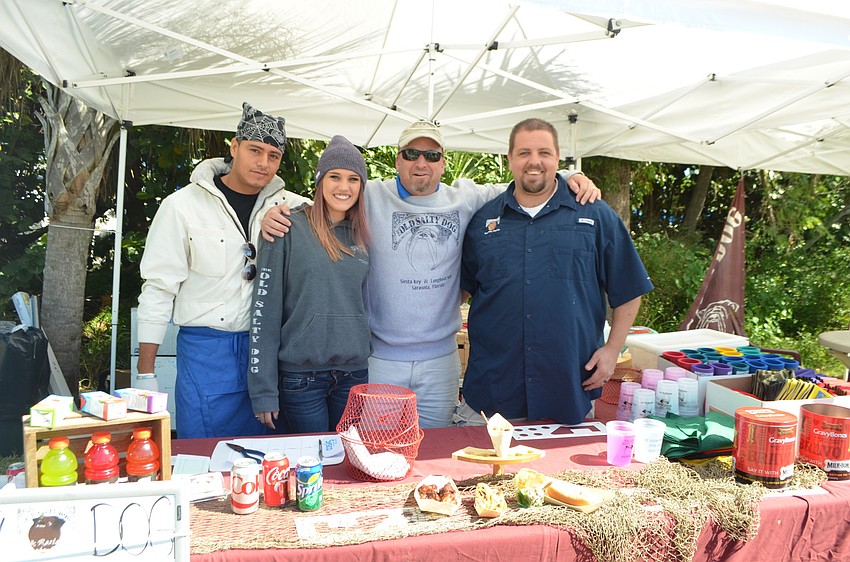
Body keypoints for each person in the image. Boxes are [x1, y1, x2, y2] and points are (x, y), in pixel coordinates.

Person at [262, 120, 600, 428]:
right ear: (397, 160)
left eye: (431, 155)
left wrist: (570, 177)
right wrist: (274, 212)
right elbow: (330, 193)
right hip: (381, 359)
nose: (420, 163)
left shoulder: (466, 198)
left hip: (441, 360)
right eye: (411, 154)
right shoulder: (371, 195)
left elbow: (524, 182)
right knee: (377, 450)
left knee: (433, 452)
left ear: (443, 162)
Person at [457, 118, 654, 426]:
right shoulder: (484, 220)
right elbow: (462, 290)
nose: (534, 161)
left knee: (561, 475)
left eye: (544, 153)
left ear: (557, 160)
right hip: (493, 391)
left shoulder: (594, 214)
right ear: (509, 159)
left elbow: (628, 290)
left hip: (568, 387)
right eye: (524, 153)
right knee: (481, 475)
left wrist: (613, 350)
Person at [136, 102, 311, 439]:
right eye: (254, 150)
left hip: (274, 354)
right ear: (234, 148)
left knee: (278, 456)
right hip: (207, 354)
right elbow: (158, 288)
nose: (263, 163)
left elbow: (343, 224)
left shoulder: (295, 208)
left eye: (273, 155)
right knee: (209, 457)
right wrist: (146, 374)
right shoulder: (181, 206)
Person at [249, 135, 371, 434]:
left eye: (353, 179)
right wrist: (263, 390)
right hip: (301, 377)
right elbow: (264, 312)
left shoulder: (363, 235)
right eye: (335, 177)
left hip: (353, 375)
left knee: (347, 463)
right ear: (319, 180)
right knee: (313, 465)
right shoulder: (287, 227)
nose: (344, 187)